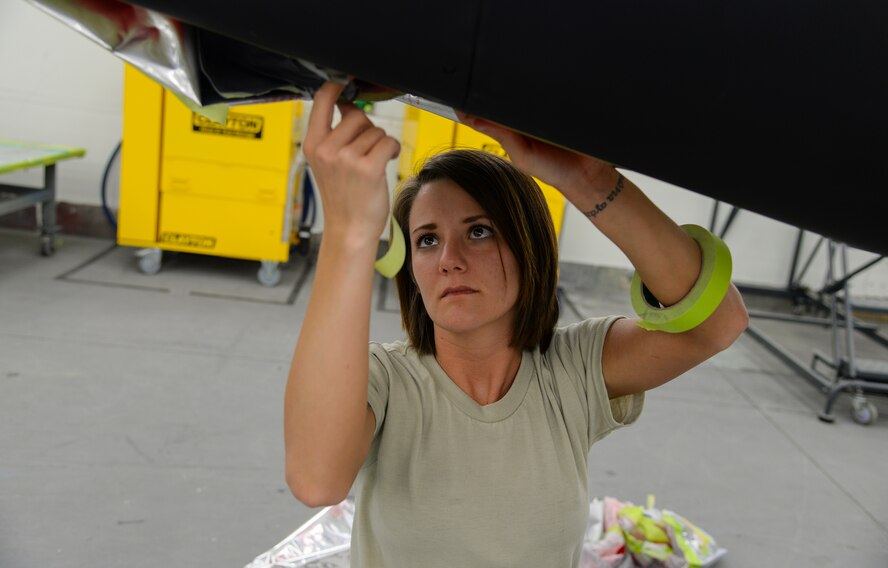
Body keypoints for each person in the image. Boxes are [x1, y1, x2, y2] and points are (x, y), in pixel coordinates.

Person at [284, 80, 749, 567]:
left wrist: (590, 180)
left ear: (528, 250)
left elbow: (718, 323)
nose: (449, 259)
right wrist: (347, 231)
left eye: (479, 231)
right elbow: (316, 479)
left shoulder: (571, 371)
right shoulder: (385, 380)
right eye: (426, 240)